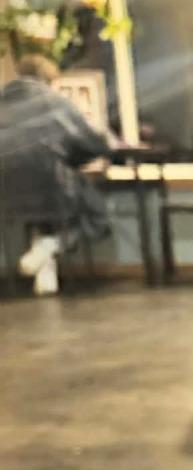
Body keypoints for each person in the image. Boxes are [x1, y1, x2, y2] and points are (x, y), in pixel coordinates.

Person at [0, 54, 111, 295]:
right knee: (97, 215)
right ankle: (51, 245)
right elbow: (87, 142)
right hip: (51, 184)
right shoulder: (52, 101)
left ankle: (45, 267)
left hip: (6, 191)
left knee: (42, 215)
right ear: (47, 78)